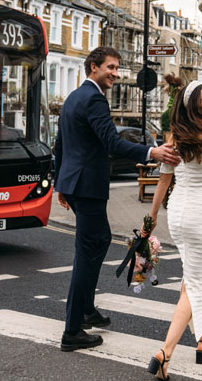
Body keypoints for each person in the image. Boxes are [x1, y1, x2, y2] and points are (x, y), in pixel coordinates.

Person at [53, 46, 180, 352]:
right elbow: (111, 142)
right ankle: (72, 330)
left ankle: (85, 310)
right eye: (109, 67)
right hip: (87, 186)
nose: (114, 73)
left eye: (116, 68)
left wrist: (60, 184)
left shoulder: (73, 97)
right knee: (87, 253)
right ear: (93, 67)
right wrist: (153, 152)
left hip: (76, 184)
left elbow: (61, 144)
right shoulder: (94, 98)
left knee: (98, 242)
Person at [143, 80, 202, 380]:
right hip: (201, 215)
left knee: (195, 275)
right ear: (194, 106)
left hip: (177, 214)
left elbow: (164, 180)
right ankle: (165, 352)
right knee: (194, 283)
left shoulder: (173, 139)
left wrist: (152, 217)